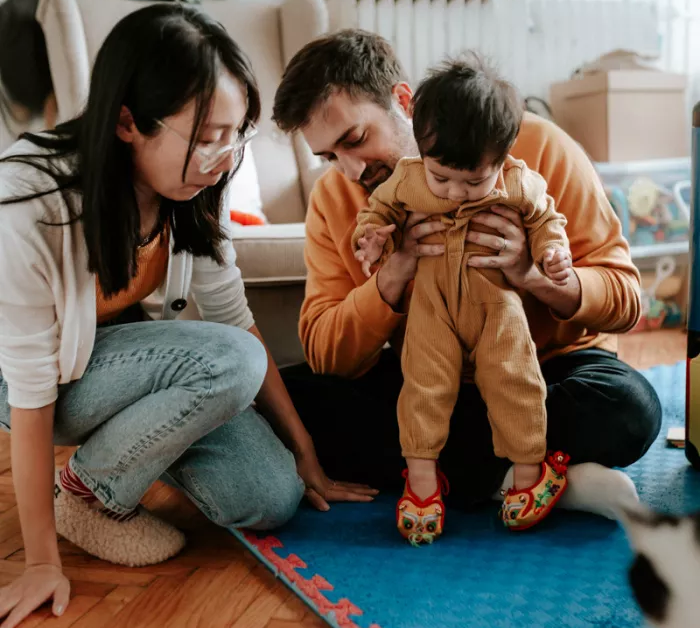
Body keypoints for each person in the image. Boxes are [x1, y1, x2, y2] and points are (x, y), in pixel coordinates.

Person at [0, 6, 375, 628]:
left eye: (236, 135)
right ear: (127, 122)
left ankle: (120, 458)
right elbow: (34, 387)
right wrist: (41, 561)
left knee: (271, 497)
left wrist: (305, 453)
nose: (223, 158)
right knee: (233, 359)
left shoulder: (193, 191)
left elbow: (234, 315)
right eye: (206, 137)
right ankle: (90, 492)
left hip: (112, 360)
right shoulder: (28, 201)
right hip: (20, 382)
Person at [272, 29, 661, 526]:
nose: (349, 170)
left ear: (404, 102)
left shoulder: (535, 147)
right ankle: (528, 479)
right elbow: (326, 352)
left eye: (355, 139)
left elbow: (626, 298)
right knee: (291, 405)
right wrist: (392, 274)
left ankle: (444, 471)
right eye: (328, 156)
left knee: (628, 409)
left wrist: (535, 276)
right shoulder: (334, 200)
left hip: (542, 368)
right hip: (426, 375)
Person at [352, 55, 573, 542]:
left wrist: (552, 256)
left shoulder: (519, 181)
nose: (455, 192)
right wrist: (371, 238)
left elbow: (546, 220)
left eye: (474, 182)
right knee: (422, 388)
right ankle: (424, 481)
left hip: (497, 306)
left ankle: (528, 474)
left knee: (515, 380)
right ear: (422, 148)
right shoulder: (408, 176)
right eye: (442, 178)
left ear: (503, 154)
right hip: (432, 309)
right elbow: (377, 209)